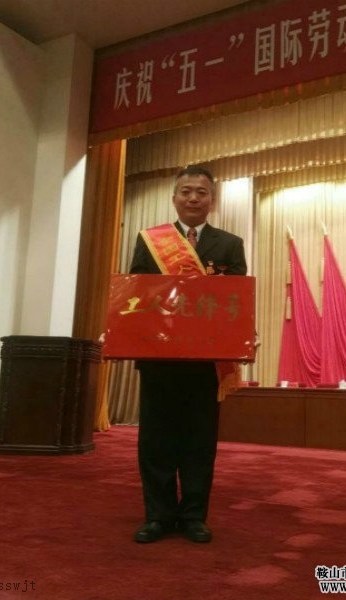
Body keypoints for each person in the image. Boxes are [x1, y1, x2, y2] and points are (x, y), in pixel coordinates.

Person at [130, 165, 247, 543]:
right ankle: (158, 516)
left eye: (201, 192)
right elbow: (136, 294)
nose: (193, 198)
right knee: (156, 440)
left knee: (199, 440)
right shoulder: (150, 241)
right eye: (186, 191)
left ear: (212, 199)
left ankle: (194, 516)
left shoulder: (230, 244)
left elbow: (236, 301)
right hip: (159, 358)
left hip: (204, 362)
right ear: (174, 197)